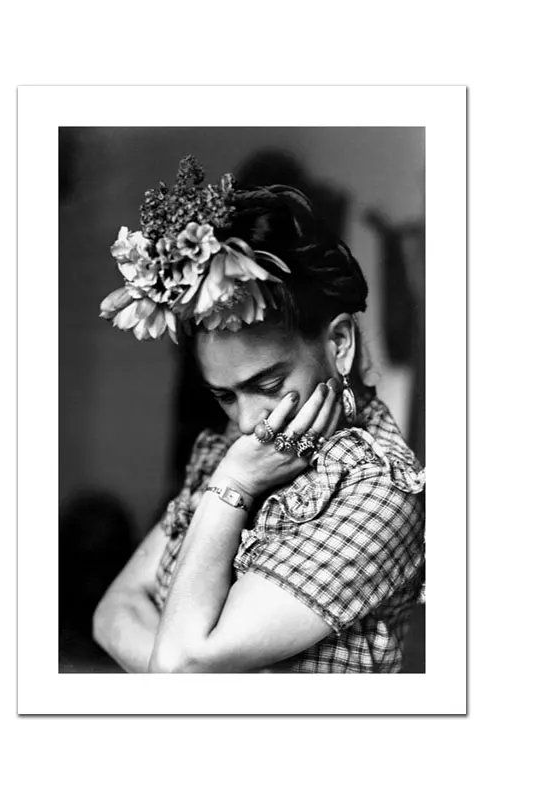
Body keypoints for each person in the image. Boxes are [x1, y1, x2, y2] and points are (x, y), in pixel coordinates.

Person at [92, 156, 425, 673]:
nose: (247, 422)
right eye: (224, 396)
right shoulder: (232, 453)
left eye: (267, 386)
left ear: (339, 343)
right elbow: (112, 612)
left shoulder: (380, 494)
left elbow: (181, 666)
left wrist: (234, 486)